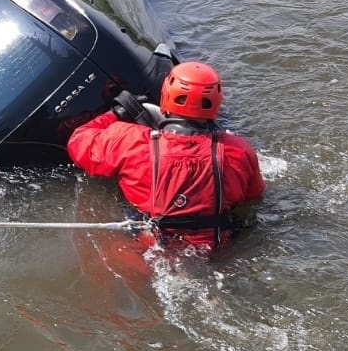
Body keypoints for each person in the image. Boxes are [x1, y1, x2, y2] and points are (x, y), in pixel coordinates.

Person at [66, 61, 264, 249]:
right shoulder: (239, 150)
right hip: (219, 247)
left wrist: (117, 113)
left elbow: (77, 143)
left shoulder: (130, 141)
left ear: (166, 95)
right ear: (216, 103)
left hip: (151, 246)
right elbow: (253, 196)